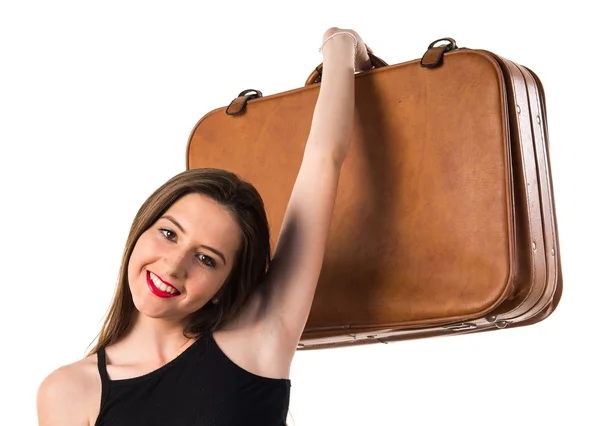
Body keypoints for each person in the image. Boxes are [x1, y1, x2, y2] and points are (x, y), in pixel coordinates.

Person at [36, 27, 374, 426]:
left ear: (225, 285)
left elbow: (324, 158)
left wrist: (341, 47)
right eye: (168, 233)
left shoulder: (261, 334)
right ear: (142, 228)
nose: (173, 266)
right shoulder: (69, 392)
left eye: (206, 258)